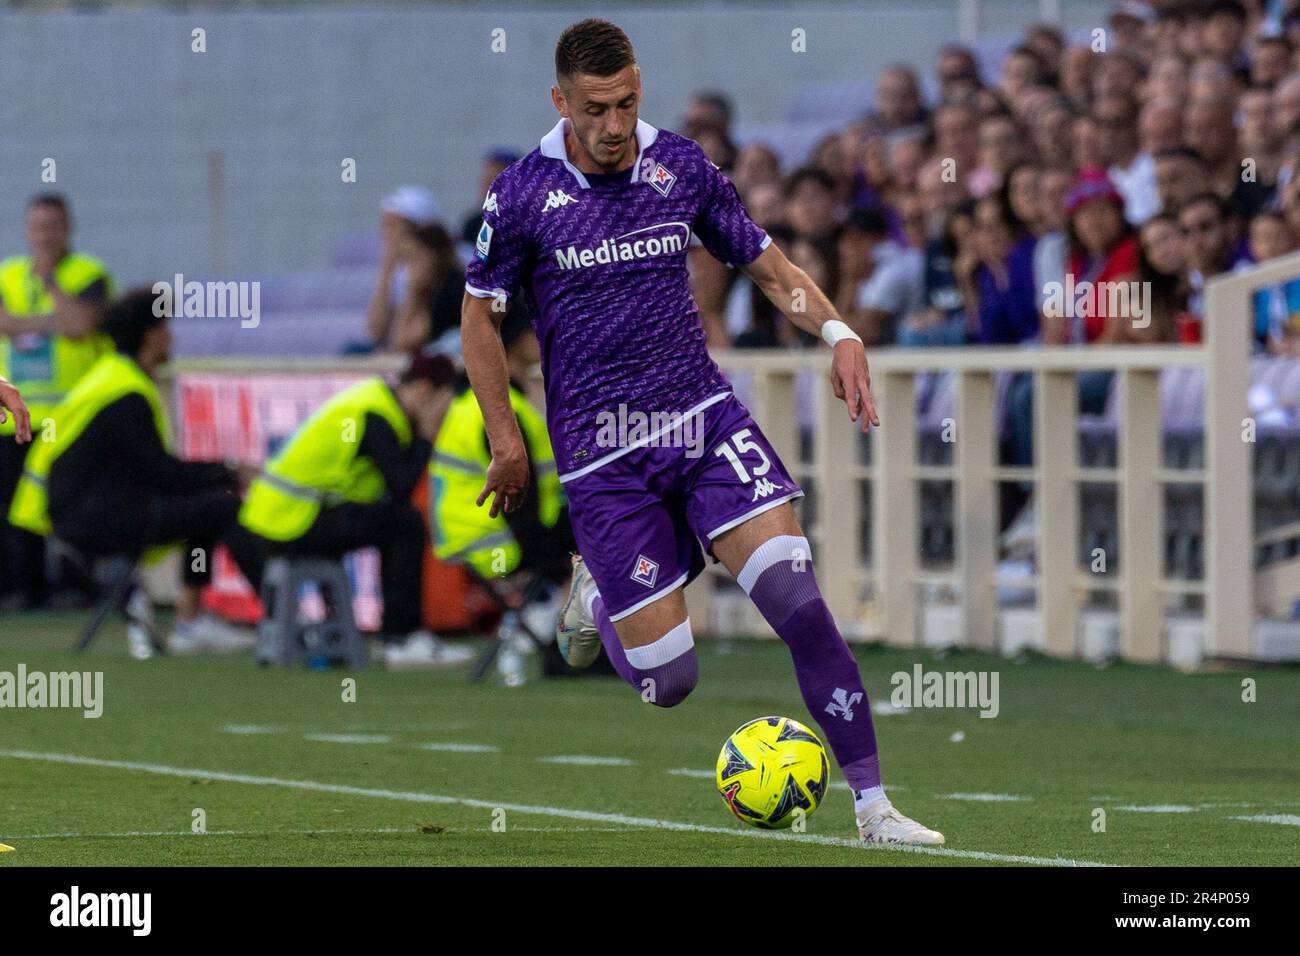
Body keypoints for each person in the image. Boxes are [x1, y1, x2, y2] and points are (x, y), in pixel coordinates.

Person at [461, 18, 943, 846]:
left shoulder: (679, 166)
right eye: (594, 109)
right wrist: (507, 439)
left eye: (626, 103)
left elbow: (766, 265)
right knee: (670, 681)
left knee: (800, 604)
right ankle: (602, 597)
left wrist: (839, 334)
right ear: (560, 101)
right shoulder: (522, 195)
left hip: (703, 422)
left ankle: (874, 807)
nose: (613, 126)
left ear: (640, 86)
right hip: (603, 455)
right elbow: (480, 317)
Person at [7, 287, 262, 658]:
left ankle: (191, 619)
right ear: (150, 335)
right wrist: (230, 472)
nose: (171, 336)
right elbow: (165, 475)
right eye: (166, 328)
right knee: (222, 504)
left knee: (208, 506)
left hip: (79, 514)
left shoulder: (113, 378)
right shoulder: (126, 394)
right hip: (93, 521)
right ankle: (276, 616)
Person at [238, 350, 473, 669]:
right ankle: (400, 638)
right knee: (406, 524)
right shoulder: (378, 414)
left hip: (279, 517)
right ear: (424, 391)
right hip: (290, 522)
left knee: (394, 521)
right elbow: (401, 487)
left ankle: (384, 637)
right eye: (447, 403)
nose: (448, 415)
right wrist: (427, 436)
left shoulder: (374, 402)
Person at [0, 193, 112, 610]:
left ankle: (75, 587)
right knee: (14, 509)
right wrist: (52, 323)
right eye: (37, 226)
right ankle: (21, 590)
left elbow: (81, 324)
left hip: (71, 417)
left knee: (68, 506)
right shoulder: (8, 273)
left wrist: (47, 286)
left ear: (67, 229)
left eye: (53, 226)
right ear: (27, 230)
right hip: (15, 415)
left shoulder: (87, 274)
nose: (44, 235)